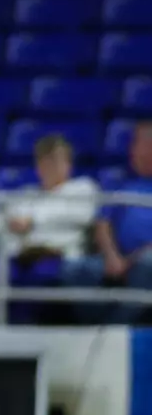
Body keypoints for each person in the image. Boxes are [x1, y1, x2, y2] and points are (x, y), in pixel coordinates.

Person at [67, 120, 152, 322]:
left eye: (145, 146)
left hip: (144, 259)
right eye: (137, 145)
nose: (138, 152)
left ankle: (114, 328)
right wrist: (112, 256)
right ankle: (92, 325)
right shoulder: (119, 184)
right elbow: (102, 223)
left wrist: (132, 259)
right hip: (115, 258)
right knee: (74, 268)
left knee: (149, 264)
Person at [0, 134, 101, 266]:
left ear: (69, 164)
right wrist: (7, 224)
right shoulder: (27, 194)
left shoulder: (83, 188)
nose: (50, 167)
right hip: (21, 258)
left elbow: (85, 217)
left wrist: (32, 221)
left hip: (63, 258)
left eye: (56, 160)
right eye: (45, 161)